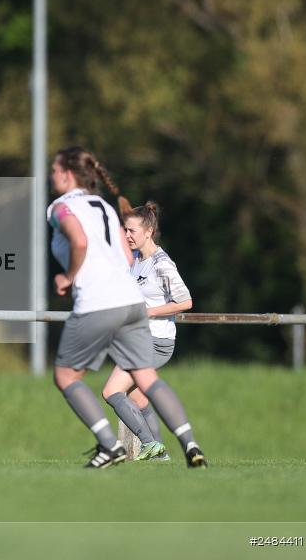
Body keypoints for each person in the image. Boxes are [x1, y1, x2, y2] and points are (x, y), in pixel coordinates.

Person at [48, 146, 206, 468]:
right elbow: (123, 256)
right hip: (130, 308)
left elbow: (78, 241)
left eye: (53, 170)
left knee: (69, 377)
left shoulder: (60, 207)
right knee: (143, 387)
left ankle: (111, 446)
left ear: (66, 174)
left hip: (101, 303)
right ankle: (187, 444)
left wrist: (69, 276)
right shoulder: (106, 208)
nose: (51, 176)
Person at [101, 202, 193, 461]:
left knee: (111, 392)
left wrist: (150, 312)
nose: (127, 236)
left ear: (149, 231)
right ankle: (159, 456)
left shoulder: (162, 264)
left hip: (155, 342)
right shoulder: (137, 262)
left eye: (132, 231)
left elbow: (185, 302)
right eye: (125, 230)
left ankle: (150, 444)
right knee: (138, 397)